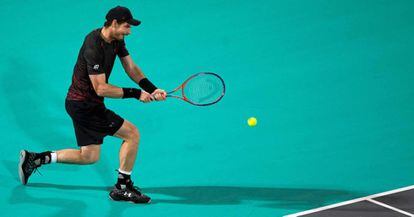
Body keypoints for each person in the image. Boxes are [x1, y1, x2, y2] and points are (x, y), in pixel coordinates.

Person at [18, 6, 166, 203]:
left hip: (81, 105)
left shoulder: (117, 39)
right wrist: (136, 93)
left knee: (89, 156)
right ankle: (122, 187)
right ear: (114, 24)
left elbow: (131, 67)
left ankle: (35, 159)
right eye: (126, 26)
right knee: (132, 133)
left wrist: (152, 88)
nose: (129, 31)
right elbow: (101, 88)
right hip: (84, 106)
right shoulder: (93, 46)